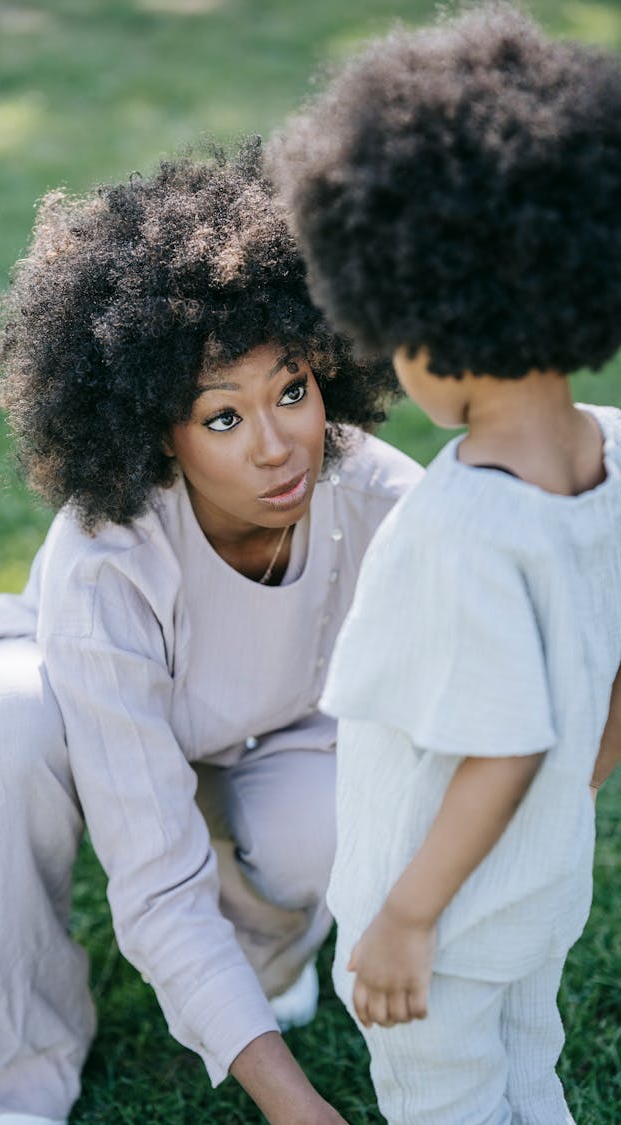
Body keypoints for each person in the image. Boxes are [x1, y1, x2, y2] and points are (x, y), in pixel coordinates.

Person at [0, 137, 422, 1125]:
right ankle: (12, 1067)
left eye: (291, 391)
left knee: (337, 819)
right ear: (160, 432)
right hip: (71, 700)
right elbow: (153, 881)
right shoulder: (106, 557)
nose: (277, 445)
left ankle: (267, 953)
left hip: (273, 728)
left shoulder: (375, 497)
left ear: (327, 370)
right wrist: (293, 1104)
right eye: (222, 419)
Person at [269, 4, 621, 1122]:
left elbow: (500, 746)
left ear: (420, 317)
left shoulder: (458, 529)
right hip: (542, 884)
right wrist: (579, 791)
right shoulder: (614, 449)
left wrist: (408, 918)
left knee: (448, 1101)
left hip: (446, 911)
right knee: (530, 1074)